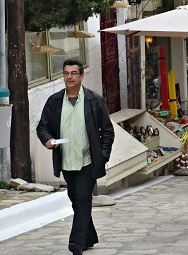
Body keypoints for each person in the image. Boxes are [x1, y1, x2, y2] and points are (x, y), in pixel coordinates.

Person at [36, 59, 114, 255]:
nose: (69, 77)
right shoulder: (54, 101)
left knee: (82, 198)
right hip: (66, 160)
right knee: (76, 198)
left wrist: (102, 156)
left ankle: (76, 242)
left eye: (73, 73)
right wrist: (47, 140)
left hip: (88, 160)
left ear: (81, 76)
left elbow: (107, 131)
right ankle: (89, 237)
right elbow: (42, 126)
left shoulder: (94, 100)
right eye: (66, 73)